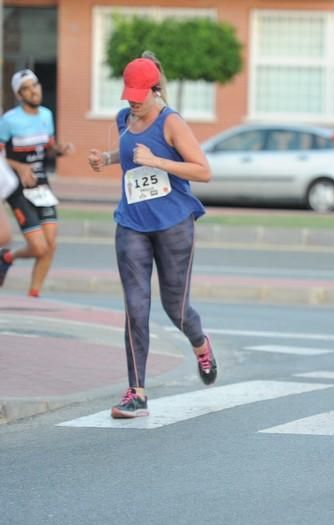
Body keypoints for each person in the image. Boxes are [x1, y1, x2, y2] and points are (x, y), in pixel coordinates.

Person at [87, 52, 217, 418]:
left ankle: (200, 341)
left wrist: (158, 161)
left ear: (154, 89)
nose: (133, 101)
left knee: (175, 308)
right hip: (131, 222)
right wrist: (108, 159)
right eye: (128, 94)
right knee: (135, 306)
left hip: (174, 223)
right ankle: (137, 392)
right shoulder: (123, 119)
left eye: (139, 95)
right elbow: (131, 155)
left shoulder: (171, 122)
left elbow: (203, 171)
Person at [0, 69, 74, 296]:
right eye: (27, 88)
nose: (34, 91)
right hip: (18, 188)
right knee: (38, 246)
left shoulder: (46, 115)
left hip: (42, 185)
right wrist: (20, 167)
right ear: (19, 95)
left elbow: (48, 146)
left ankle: (34, 294)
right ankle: (6, 257)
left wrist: (59, 150)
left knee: (50, 244)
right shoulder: (9, 120)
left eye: (36, 85)